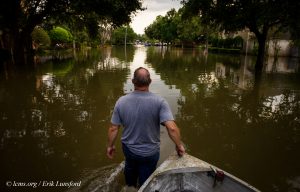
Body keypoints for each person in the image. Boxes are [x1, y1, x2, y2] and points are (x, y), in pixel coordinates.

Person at [106, 67, 185, 188]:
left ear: (133, 81)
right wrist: (179, 145)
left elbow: (113, 128)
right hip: (150, 153)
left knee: (130, 170)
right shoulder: (160, 102)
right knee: (146, 181)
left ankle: (129, 186)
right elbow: (172, 128)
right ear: (150, 81)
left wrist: (110, 146)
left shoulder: (121, 101)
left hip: (129, 149)